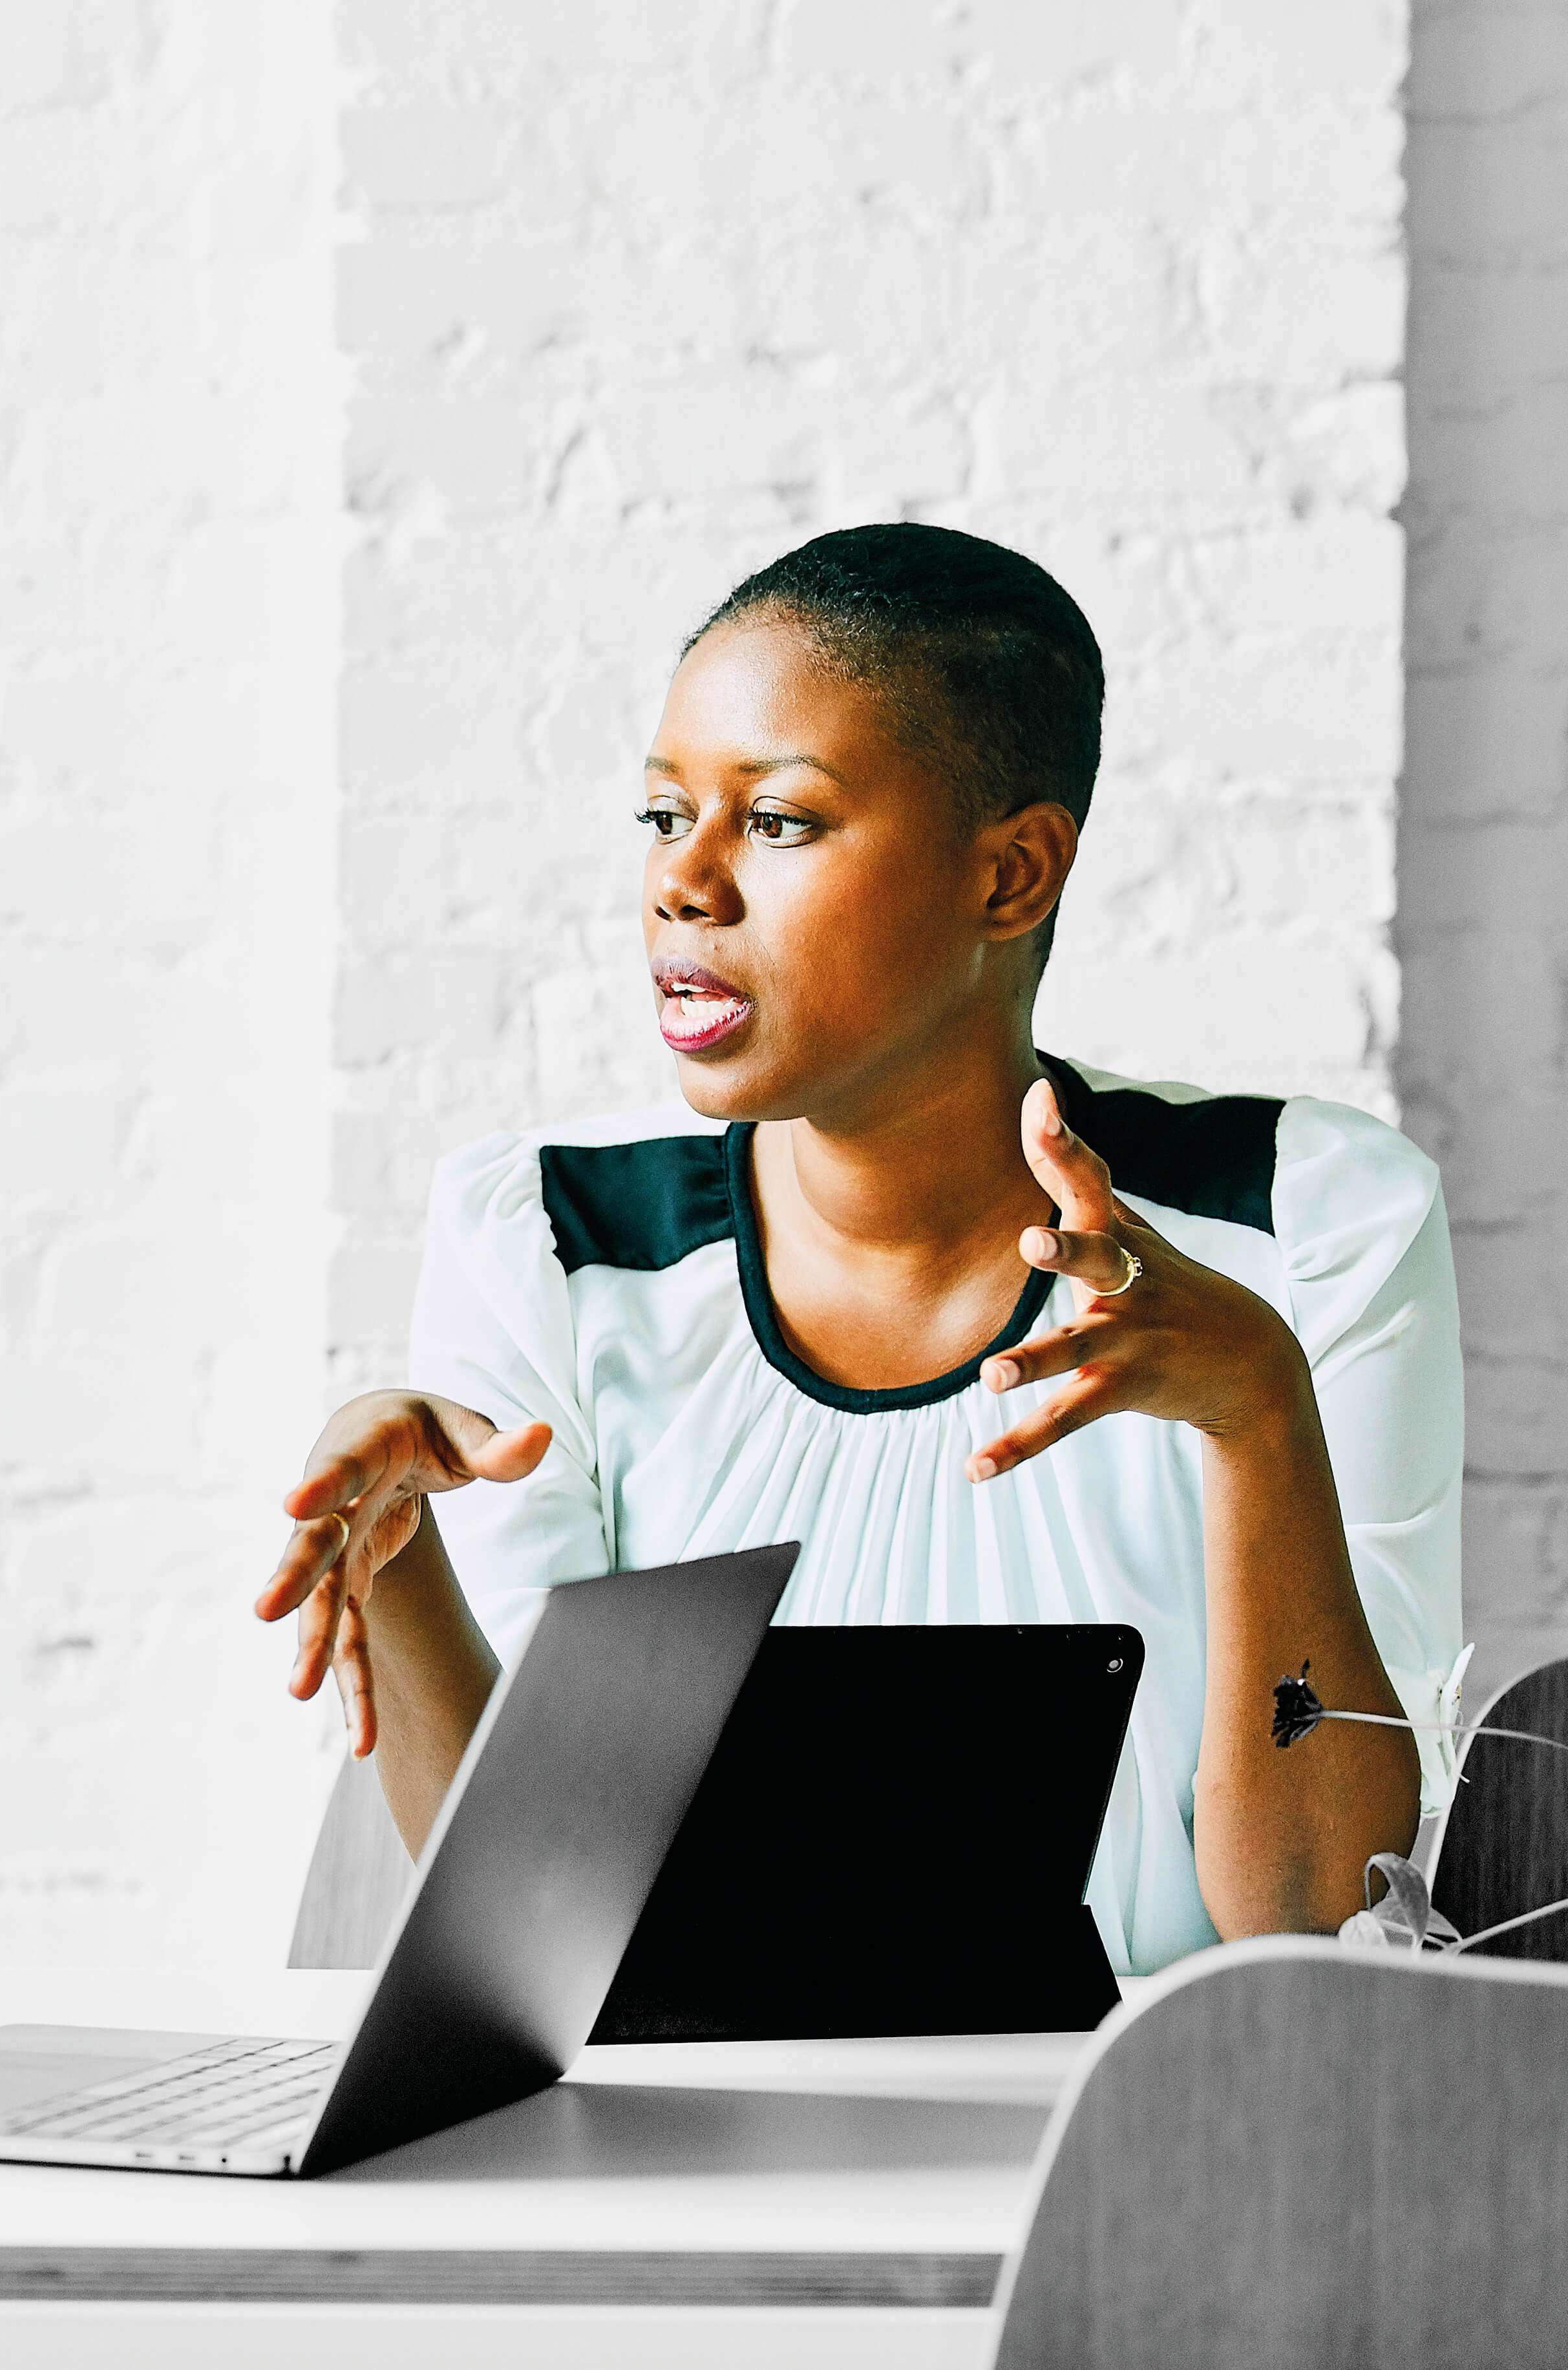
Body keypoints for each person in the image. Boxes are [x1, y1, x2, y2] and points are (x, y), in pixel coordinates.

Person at [255, 526, 1459, 1974]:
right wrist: (397, 1565)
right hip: (689, 2167)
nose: (681, 886)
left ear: (1010, 876)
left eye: (776, 823)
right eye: (659, 817)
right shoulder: (550, 1245)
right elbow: (538, 1933)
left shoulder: (1303, 1226)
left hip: (1143, 2146)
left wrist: (1257, 1409)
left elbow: (1321, 1919)